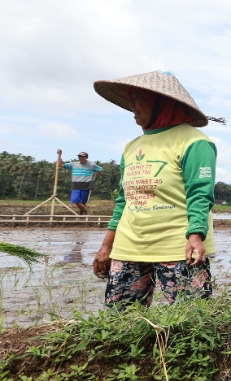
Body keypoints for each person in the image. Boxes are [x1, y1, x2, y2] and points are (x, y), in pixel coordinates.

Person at [90, 70, 219, 308]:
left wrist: (195, 236)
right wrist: (107, 245)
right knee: (122, 322)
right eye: (130, 97)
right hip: (128, 247)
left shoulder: (194, 142)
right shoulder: (132, 147)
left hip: (178, 248)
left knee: (192, 322)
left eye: (137, 96)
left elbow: (200, 193)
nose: (131, 105)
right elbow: (123, 201)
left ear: (159, 101)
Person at [56, 150, 102, 214]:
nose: (81, 158)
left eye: (83, 157)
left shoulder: (91, 165)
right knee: (75, 200)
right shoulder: (73, 164)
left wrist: (95, 174)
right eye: (80, 156)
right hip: (76, 185)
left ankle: (80, 216)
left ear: (87, 157)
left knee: (83, 202)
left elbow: (101, 170)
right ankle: (87, 213)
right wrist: (60, 155)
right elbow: (59, 165)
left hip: (87, 185)